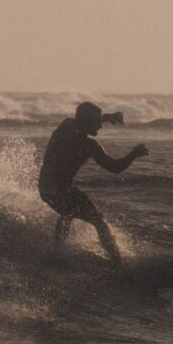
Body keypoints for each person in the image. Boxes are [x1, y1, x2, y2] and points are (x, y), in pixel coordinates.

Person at [38, 102, 149, 264]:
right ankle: (117, 263)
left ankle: (57, 252)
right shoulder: (89, 145)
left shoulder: (65, 126)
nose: (100, 126)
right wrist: (134, 154)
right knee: (99, 221)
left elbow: (81, 121)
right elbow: (115, 167)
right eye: (97, 121)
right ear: (88, 122)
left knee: (68, 212)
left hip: (45, 188)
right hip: (61, 191)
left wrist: (107, 117)